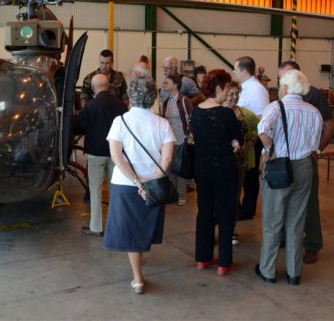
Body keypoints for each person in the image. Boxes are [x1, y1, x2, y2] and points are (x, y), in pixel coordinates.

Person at [103, 77, 175, 294]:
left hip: (125, 185)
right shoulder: (163, 123)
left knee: (131, 232)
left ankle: (138, 279)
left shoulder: (120, 122)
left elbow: (116, 156)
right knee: (142, 227)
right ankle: (138, 270)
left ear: (129, 97)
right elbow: (167, 159)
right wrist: (150, 180)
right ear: (153, 97)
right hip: (154, 185)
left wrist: (136, 181)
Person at [255, 69, 322, 286]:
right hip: (304, 167)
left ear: (284, 88)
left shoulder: (276, 107)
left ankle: (268, 270)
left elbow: (262, 128)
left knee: (273, 221)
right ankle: (294, 273)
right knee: (296, 221)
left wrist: (269, 148)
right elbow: (314, 145)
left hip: (279, 167)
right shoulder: (313, 111)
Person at [278, 60, 334, 264]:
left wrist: (318, 150)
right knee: (283, 199)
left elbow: (329, 125)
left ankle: (312, 244)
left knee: (309, 203)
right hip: (284, 158)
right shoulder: (282, 98)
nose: (281, 83)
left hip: (305, 158)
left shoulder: (314, 95)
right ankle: (284, 237)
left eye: (284, 77)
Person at [190, 69, 243, 276]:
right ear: (219, 88)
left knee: (204, 212)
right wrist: (233, 141)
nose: (228, 91)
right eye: (226, 87)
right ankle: (224, 262)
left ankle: (203, 258)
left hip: (202, 169)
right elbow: (238, 138)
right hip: (224, 169)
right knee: (226, 214)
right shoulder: (226, 113)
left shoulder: (196, 111)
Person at [78, 74, 128, 236]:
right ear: (109, 86)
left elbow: (80, 124)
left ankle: (96, 227)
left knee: (95, 190)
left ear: (93, 88)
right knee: (116, 190)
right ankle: (117, 226)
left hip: (95, 153)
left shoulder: (91, 105)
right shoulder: (120, 105)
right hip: (115, 154)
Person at [233, 56, 269, 221]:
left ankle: (248, 210)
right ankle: (240, 207)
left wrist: (253, 140)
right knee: (244, 175)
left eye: (235, 69)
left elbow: (262, 117)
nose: (234, 72)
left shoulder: (257, 90)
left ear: (244, 71)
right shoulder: (245, 88)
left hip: (252, 139)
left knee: (250, 176)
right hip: (242, 139)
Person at [222, 80, 258, 246]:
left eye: (237, 93)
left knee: (234, 198)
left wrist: (250, 142)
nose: (234, 97)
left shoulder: (245, 114)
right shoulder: (217, 111)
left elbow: (261, 126)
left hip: (239, 164)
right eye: (231, 94)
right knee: (220, 198)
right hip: (220, 163)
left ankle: (230, 230)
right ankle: (217, 229)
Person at [161, 74, 193, 206]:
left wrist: (190, 135)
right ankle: (173, 194)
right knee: (169, 169)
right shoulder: (166, 102)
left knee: (179, 168)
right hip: (168, 140)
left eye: (167, 82)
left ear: (175, 85)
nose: (163, 84)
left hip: (181, 139)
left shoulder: (184, 100)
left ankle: (181, 195)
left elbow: (191, 118)